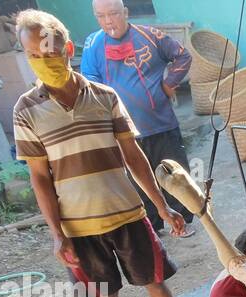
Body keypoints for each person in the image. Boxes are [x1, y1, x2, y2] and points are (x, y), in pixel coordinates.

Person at [12, 10, 208, 297]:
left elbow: (133, 155)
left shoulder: (104, 96)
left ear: (68, 49)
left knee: (156, 282)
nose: (43, 62)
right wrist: (57, 234)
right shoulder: (26, 110)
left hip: (128, 213)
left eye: (50, 53)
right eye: (34, 57)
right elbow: (39, 177)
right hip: (79, 227)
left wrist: (162, 206)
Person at [80, 0, 196, 236]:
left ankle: (183, 220)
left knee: (174, 173)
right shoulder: (93, 44)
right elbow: (88, 80)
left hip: (160, 122)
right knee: (138, 181)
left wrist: (167, 84)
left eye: (113, 13)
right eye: (101, 16)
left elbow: (183, 56)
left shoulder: (150, 35)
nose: (108, 21)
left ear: (125, 12)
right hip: (124, 131)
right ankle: (153, 226)